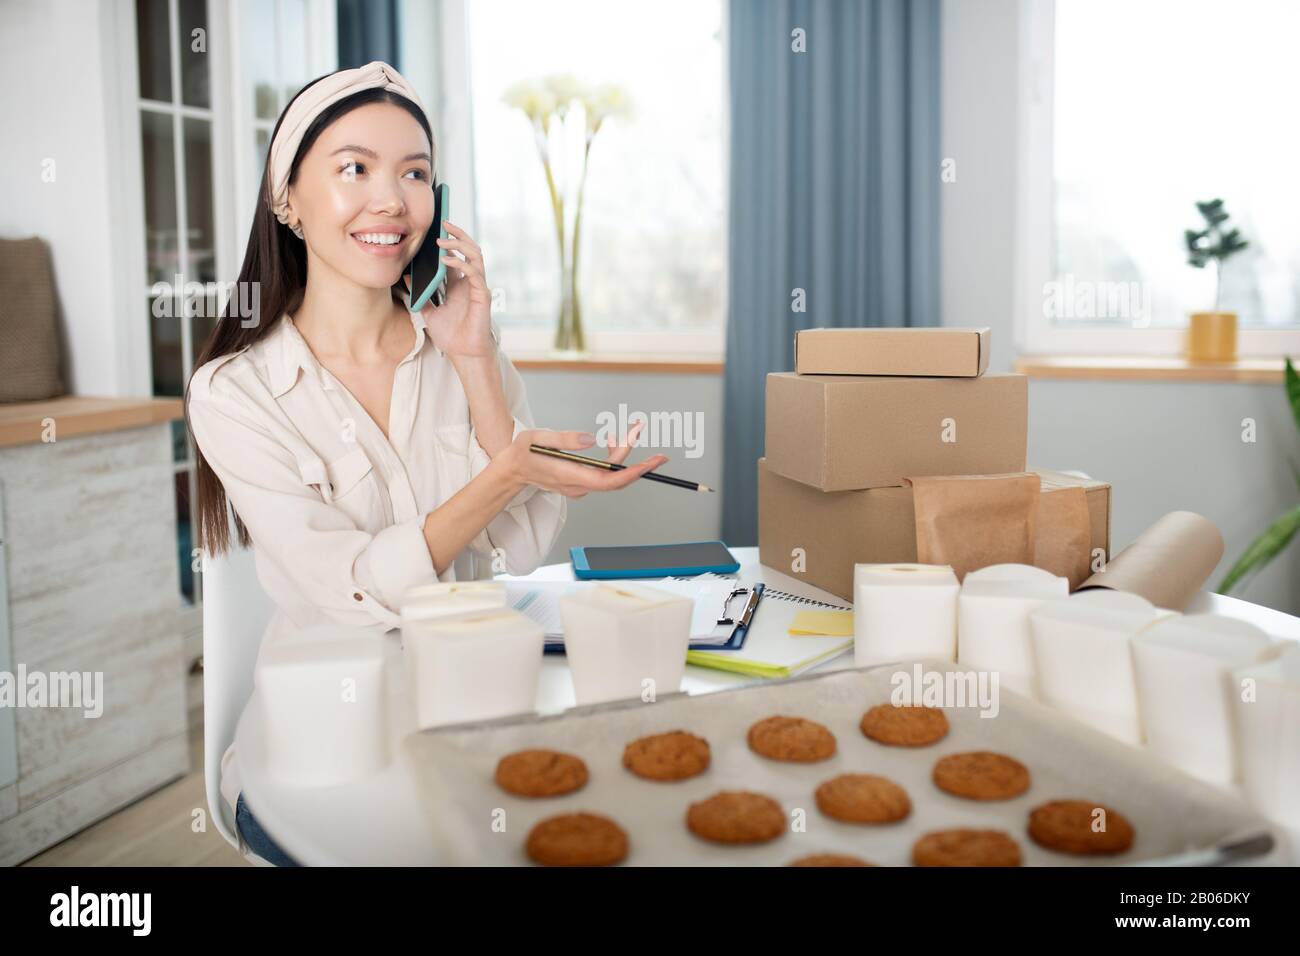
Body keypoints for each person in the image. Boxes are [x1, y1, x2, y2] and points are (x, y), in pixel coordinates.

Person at [185, 62, 666, 864]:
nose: (391, 200)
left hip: (479, 704)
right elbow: (354, 587)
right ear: (286, 201)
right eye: (354, 169)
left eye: (415, 173)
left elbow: (518, 548)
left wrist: (476, 360)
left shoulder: (461, 341)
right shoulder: (235, 392)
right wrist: (509, 470)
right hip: (327, 736)